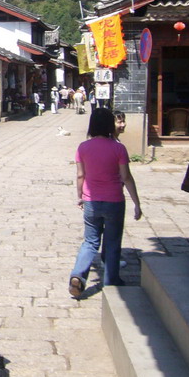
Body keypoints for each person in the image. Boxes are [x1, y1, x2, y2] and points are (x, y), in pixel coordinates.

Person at [69, 108, 142, 297]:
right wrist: (137, 202)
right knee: (112, 241)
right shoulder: (118, 148)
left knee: (90, 241)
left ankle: (78, 275)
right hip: (114, 201)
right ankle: (111, 281)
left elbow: (80, 175)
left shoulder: (83, 147)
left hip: (91, 201)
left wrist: (80, 196)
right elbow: (126, 177)